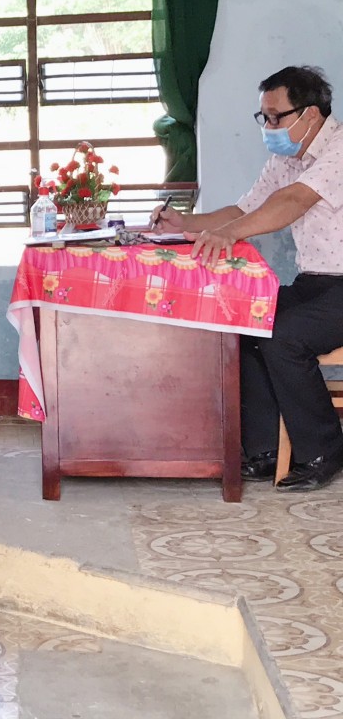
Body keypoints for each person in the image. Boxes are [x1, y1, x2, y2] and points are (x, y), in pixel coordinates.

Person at [155, 66, 343, 491]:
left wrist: (226, 235)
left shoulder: (339, 147)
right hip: (318, 281)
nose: (270, 127)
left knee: (284, 336)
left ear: (311, 114)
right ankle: (265, 451)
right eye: (264, 118)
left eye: (277, 117)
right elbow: (242, 211)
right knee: (247, 323)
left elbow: (294, 201)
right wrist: (183, 222)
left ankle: (324, 451)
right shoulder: (285, 158)